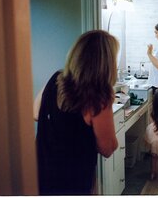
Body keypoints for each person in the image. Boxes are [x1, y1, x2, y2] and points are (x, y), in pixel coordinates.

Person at [33, 30, 119, 195]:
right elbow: (107, 148)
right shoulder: (98, 97)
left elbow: (36, 113)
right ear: (105, 62)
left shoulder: (55, 79)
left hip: (42, 175)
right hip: (74, 181)